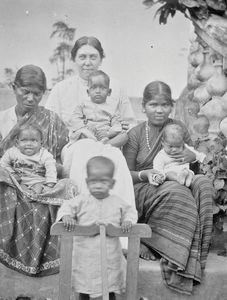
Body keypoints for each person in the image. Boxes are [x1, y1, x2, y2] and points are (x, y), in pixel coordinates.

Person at [123, 81, 214, 295]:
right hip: (146, 185)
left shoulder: (178, 128)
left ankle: (194, 254)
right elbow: (126, 174)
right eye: (153, 104)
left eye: (164, 105)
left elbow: (194, 161)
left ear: (171, 106)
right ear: (143, 106)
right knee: (177, 191)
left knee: (204, 185)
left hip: (180, 176)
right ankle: (163, 246)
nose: (159, 110)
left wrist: (193, 157)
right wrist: (146, 174)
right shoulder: (135, 134)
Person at [0, 65, 76, 276]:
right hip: (10, 181)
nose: (31, 98)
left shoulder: (52, 121)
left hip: (41, 183)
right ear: (14, 88)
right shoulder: (2, 119)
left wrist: (44, 170)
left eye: (37, 93)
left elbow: (62, 160)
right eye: (25, 91)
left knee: (69, 186)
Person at [57, 156, 138, 300]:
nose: (98, 185)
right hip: (85, 255)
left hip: (110, 255)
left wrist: (128, 220)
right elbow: (66, 207)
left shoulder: (117, 202)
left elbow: (130, 212)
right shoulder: (81, 200)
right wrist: (67, 216)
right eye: (94, 181)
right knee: (84, 288)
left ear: (112, 183)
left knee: (110, 287)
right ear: (87, 182)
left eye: (104, 181)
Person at [45, 36, 136, 134]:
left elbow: (131, 124)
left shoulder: (117, 87)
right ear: (74, 59)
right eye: (82, 57)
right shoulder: (60, 89)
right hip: (72, 144)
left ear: (101, 60)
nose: (87, 63)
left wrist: (122, 128)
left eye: (93, 57)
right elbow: (49, 124)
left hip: (109, 142)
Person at [69, 70, 128, 147]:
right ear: (88, 92)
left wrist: (108, 133)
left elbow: (117, 125)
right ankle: (97, 145)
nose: (98, 91)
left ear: (109, 92)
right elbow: (74, 119)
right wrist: (84, 128)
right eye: (93, 88)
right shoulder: (83, 105)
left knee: (124, 136)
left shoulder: (112, 108)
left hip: (105, 135)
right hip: (87, 133)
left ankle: (103, 145)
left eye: (103, 88)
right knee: (80, 133)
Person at [0, 123, 57, 194]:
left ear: (41, 143)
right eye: (24, 140)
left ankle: (35, 196)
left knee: (39, 188)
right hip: (19, 181)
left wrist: (50, 184)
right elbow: (3, 164)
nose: (29, 144)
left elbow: (51, 169)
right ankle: (24, 194)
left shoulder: (44, 155)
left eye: (33, 140)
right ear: (17, 143)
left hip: (37, 181)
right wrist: (12, 173)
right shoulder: (12, 152)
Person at [152, 123, 206, 187]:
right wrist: (157, 177)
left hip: (185, 171)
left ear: (182, 142)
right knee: (169, 174)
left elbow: (199, 156)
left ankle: (187, 182)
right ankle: (178, 179)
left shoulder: (185, 149)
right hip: (169, 174)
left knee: (190, 173)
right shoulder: (161, 155)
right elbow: (157, 169)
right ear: (163, 143)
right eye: (171, 146)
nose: (174, 149)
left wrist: (200, 158)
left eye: (178, 146)